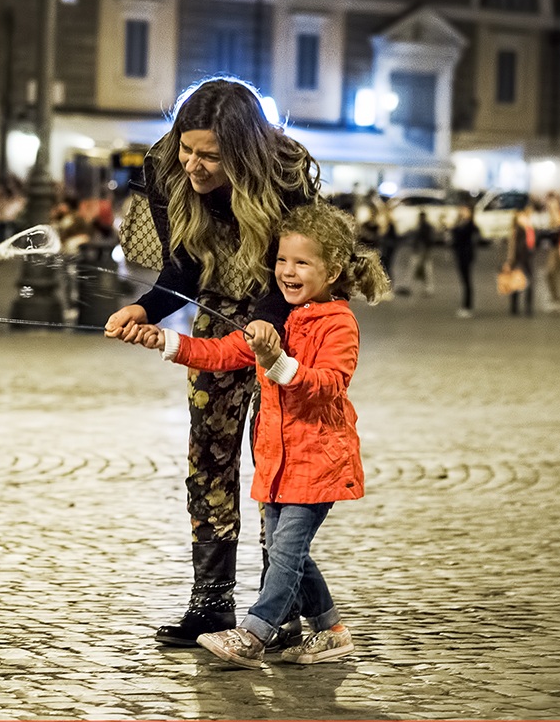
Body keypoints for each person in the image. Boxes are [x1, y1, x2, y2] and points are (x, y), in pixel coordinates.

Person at [103, 77, 320, 650]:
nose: (194, 165)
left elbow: (297, 269)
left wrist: (268, 322)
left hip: (284, 326)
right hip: (216, 316)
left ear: (244, 153)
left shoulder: (286, 173)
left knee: (277, 464)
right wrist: (143, 308)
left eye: (211, 156)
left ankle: (281, 608)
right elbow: (181, 272)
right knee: (208, 457)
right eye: (188, 149)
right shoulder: (164, 169)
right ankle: (211, 602)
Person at [127, 202, 390, 668]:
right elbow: (224, 352)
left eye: (302, 262)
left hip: (318, 462)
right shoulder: (278, 318)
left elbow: (329, 386)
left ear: (331, 272)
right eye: (282, 260)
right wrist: (167, 341)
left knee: (285, 553)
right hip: (277, 461)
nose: (287, 271)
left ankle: (254, 633)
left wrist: (278, 364)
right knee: (290, 552)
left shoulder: (338, 323)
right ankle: (331, 631)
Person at [504, 205, 537, 316]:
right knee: (516, 283)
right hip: (518, 259)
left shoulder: (529, 228)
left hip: (527, 259)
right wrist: (510, 261)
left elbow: (531, 244)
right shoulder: (517, 229)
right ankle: (515, 308)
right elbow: (512, 246)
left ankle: (527, 308)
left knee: (529, 283)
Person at [449, 203, 480, 318]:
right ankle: (465, 306)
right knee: (464, 281)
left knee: (467, 281)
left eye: (465, 210)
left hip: (466, 255)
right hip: (460, 255)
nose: (462, 212)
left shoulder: (469, 225)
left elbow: (466, 234)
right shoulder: (460, 223)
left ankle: (467, 306)